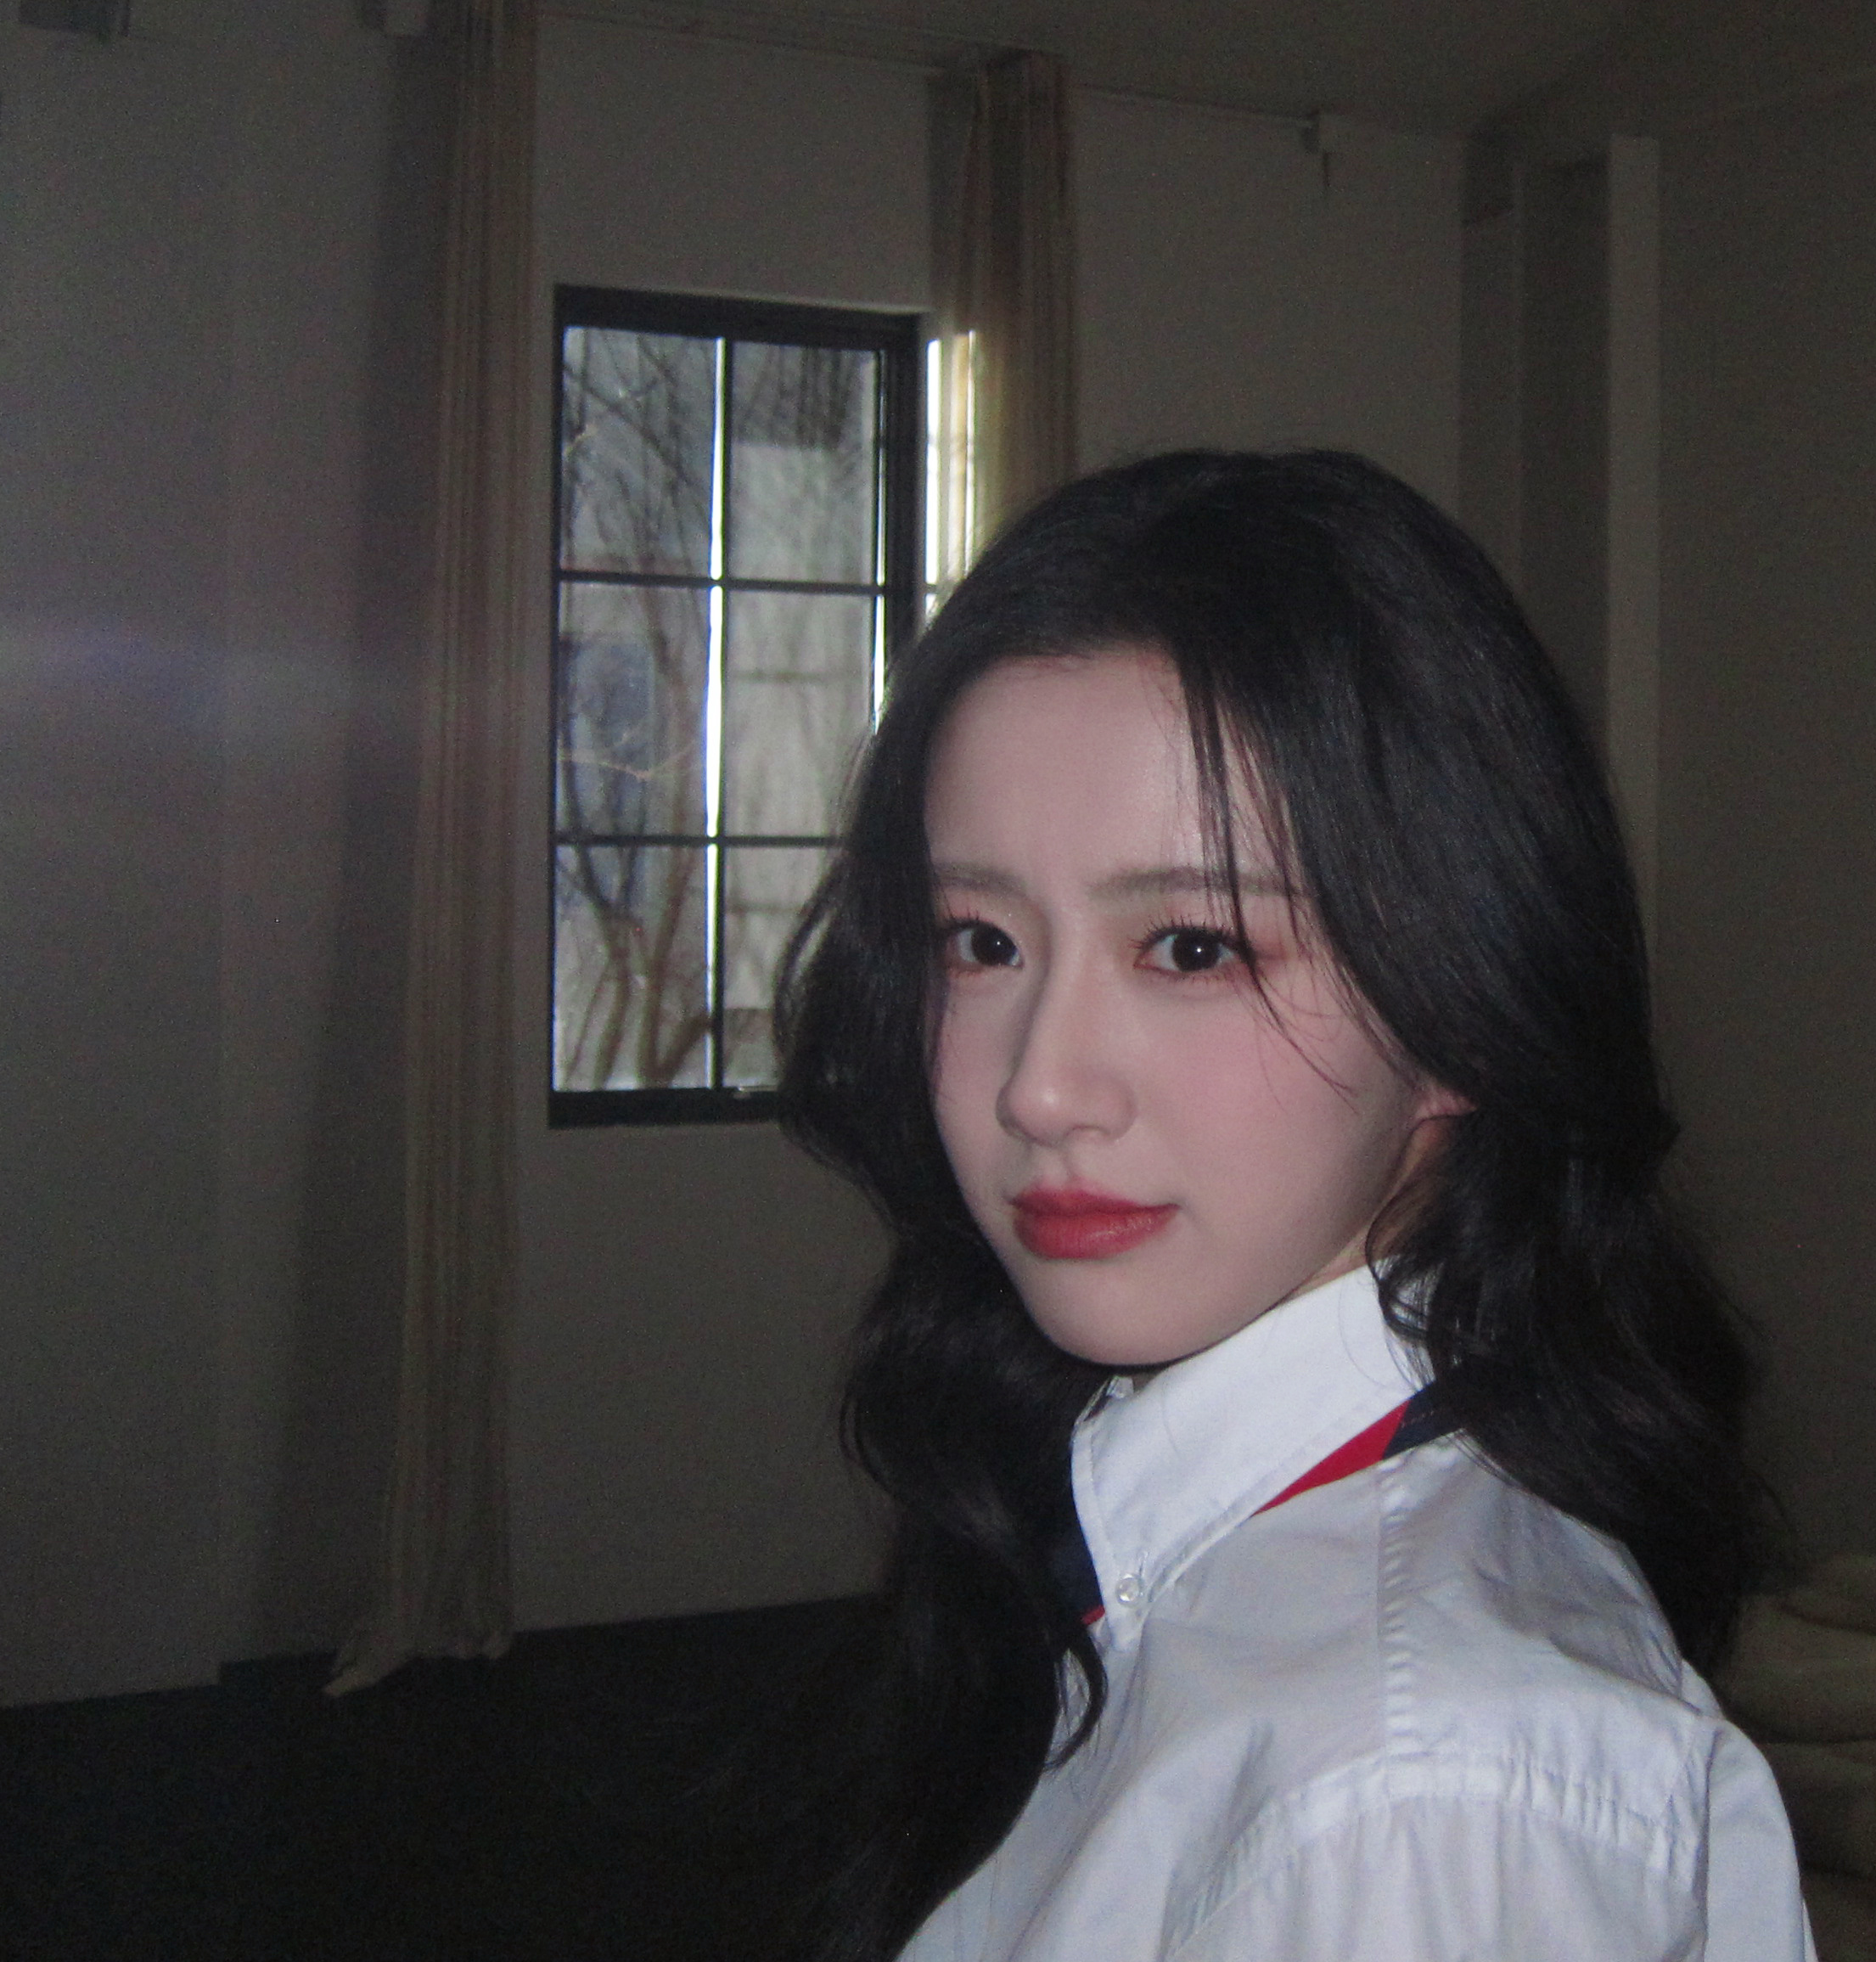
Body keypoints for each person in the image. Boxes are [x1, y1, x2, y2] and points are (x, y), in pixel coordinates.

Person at [772, 449, 1810, 1960]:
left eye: (1191, 949)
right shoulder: (1149, 1509)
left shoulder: (1411, 1807)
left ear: (1458, 1008)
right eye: (982, 942)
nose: (1040, 1089)